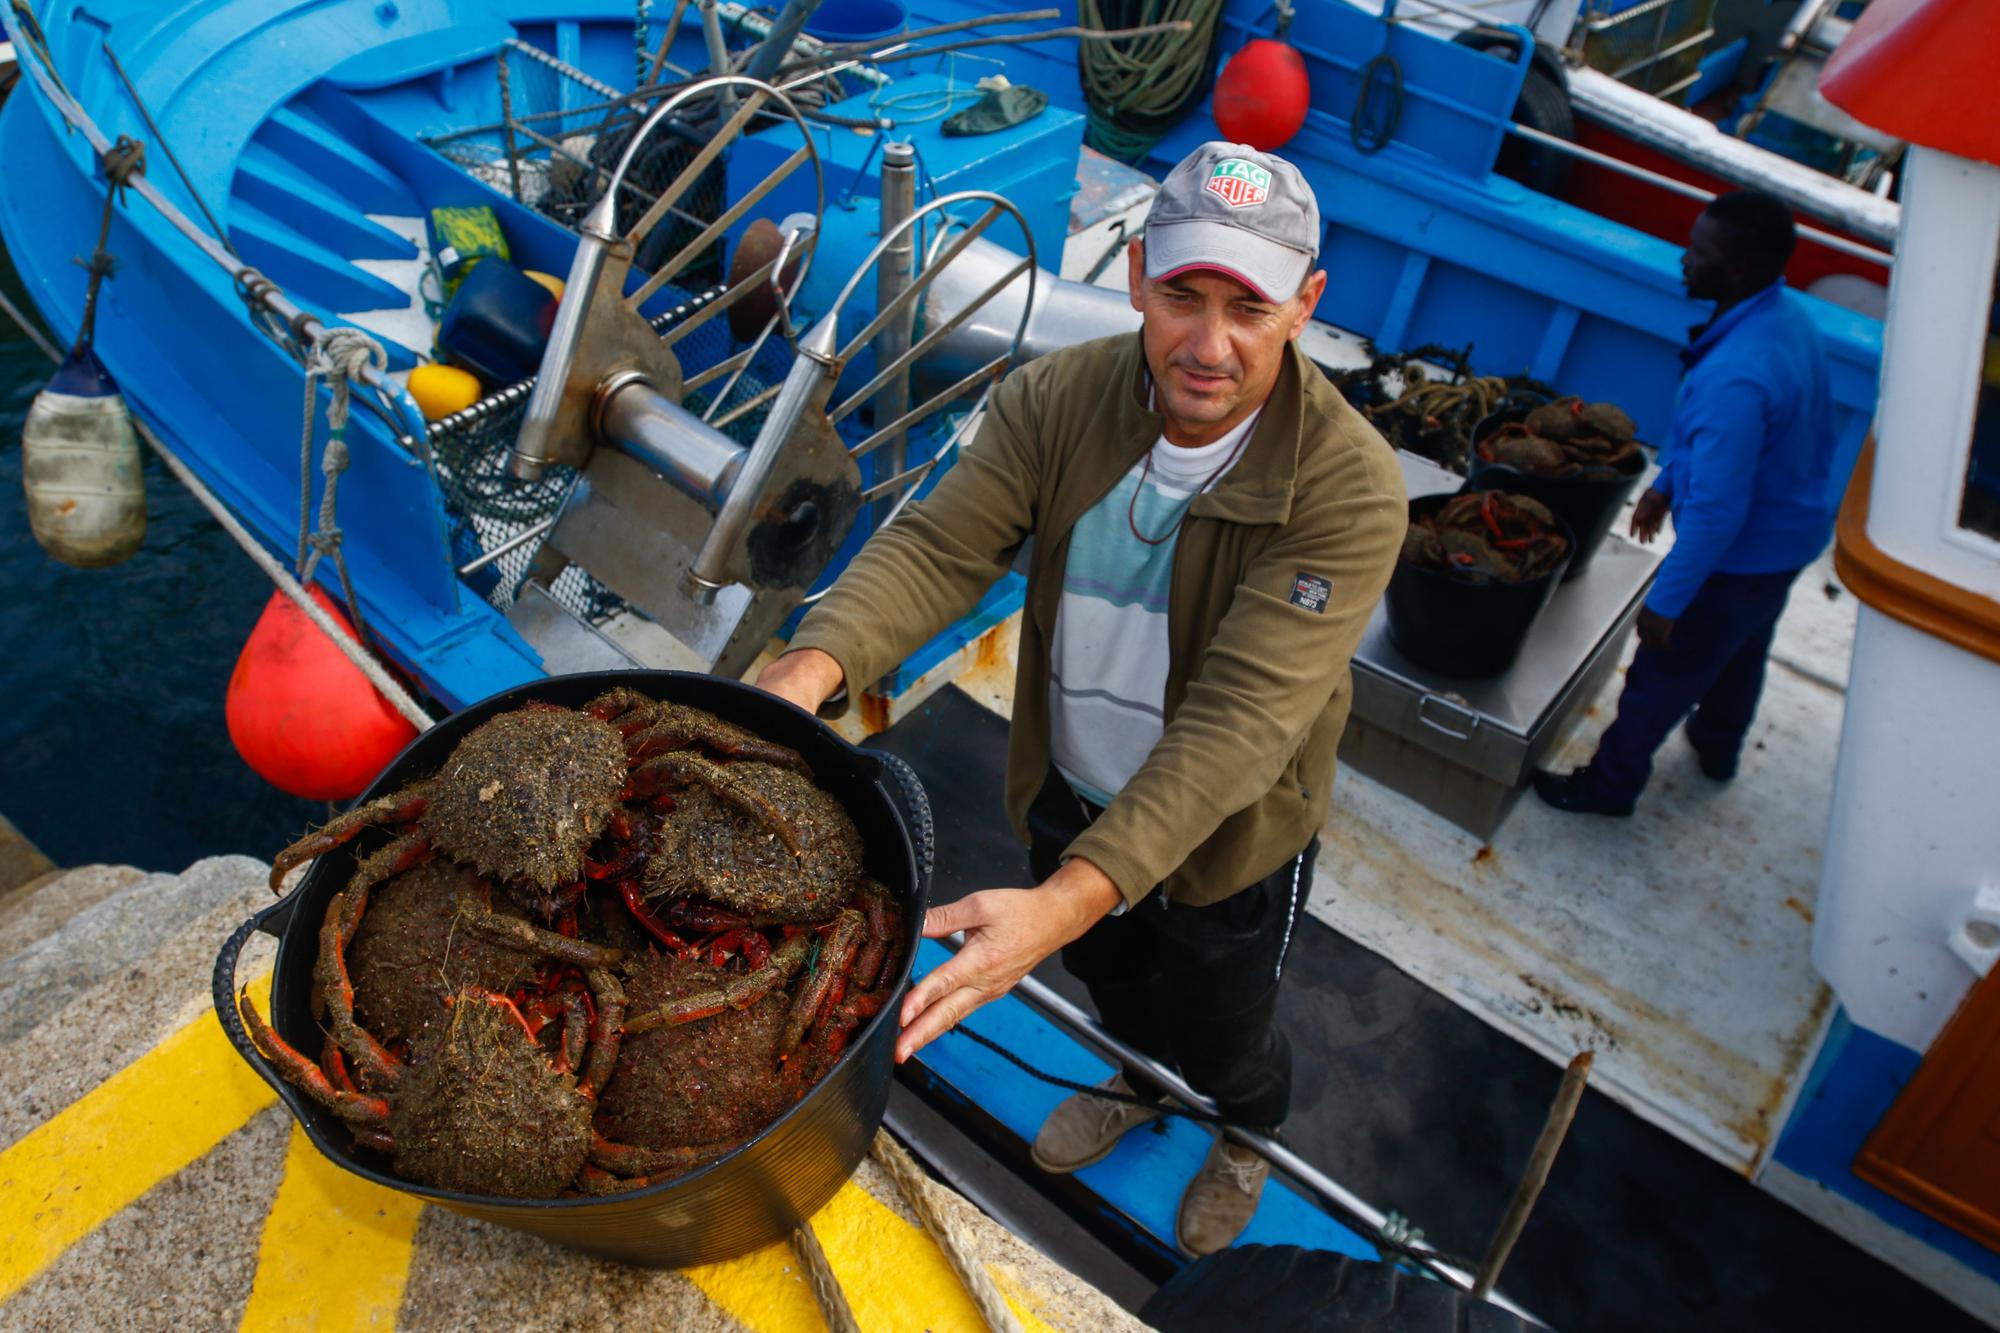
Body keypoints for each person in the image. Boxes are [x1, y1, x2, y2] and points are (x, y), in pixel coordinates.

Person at [756, 142, 1406, 1256]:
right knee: (1114, 978)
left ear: (1304, 306)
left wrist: (1054, 906)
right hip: (1067, 786)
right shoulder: (1055, 398)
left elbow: (1240, 725)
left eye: (1247, 307)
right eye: (1181, 295)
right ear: (1137, 270)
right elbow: (937, 549)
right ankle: (1135, 1079)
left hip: (1228, 842)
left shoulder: (1346, 490)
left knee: (1225, 1020)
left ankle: (1243, 1125)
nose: (1207, 345)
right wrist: (795, 682)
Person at [1535, 190, 1840, 817]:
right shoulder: (1787, 319)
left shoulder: (1735, 375)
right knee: (1743, 649)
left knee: (1662, 674)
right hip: (1793, 539)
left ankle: (1608, 787)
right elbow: (1742, 446)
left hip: (1743, 553)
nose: (1683, 260)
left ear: (1734, 271)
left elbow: (1720, 515)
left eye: (1697, 253)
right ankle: (1718, 748)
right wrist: (1667, 482)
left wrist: (1666, 604)